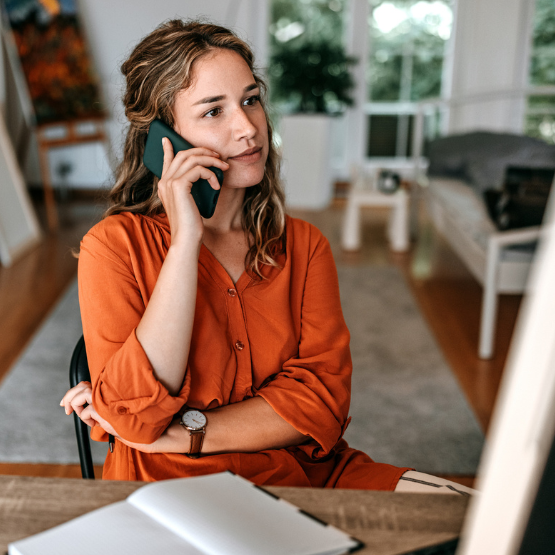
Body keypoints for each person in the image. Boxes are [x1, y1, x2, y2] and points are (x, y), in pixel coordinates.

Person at [60, 19, 473, 495]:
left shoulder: (304, 245)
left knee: (477, 517)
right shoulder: (114, 247)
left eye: (250, 100)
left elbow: (322, 402)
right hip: (171, 485)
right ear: (163, 139)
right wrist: (185, 241)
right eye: (213, 112)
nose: (248, 128)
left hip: (306, 476)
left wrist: (184, 432)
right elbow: (134, 415)